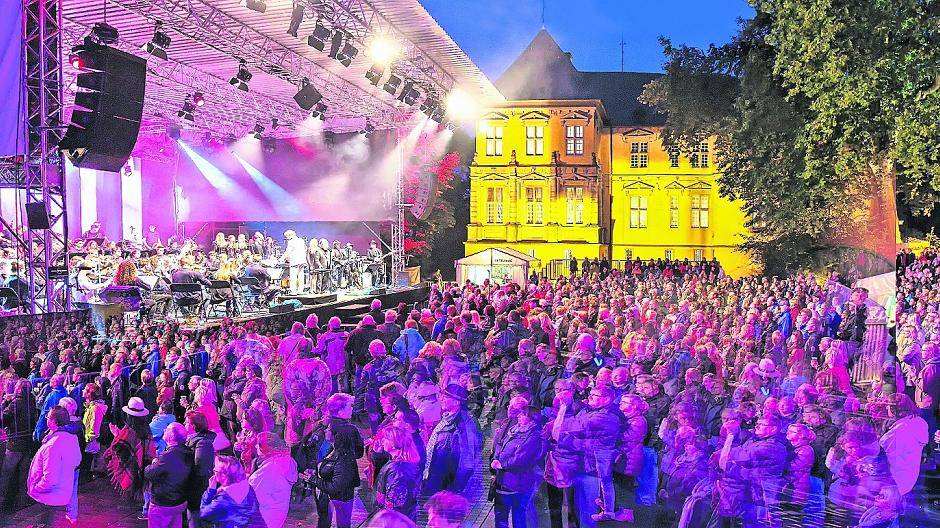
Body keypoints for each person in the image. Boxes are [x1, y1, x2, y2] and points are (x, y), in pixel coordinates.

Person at [423, 383, 482, 497]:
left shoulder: (464, 424)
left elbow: (467, 459)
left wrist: (456, 488)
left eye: (446, 397)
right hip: (438, 479)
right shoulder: (447, 418)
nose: (442, 399)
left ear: (456, 402)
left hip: (448, 484)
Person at [27, 406, 82, 527]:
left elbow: (50, 478)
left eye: (48, 417)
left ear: (54, 421)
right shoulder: (72, 437)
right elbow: (77, 460)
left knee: (44, 522)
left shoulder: (52, 445)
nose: (46, 419)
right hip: (61, 490)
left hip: (49, 495)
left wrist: (37, 487)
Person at [490, 404, 544, 528]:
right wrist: (495, 459)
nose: (519, 416)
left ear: (532, 419)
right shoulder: (514, 430)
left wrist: (502, 464)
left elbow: (522, 458)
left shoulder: (534, 435)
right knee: (500, 516)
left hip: (517, 481)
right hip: (502, 480)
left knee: (519, 517)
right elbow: (500, 444)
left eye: (523, 414)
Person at [307, 424, 361, 528]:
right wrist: (316, 472)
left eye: (328, 429)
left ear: (336, 435)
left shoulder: (344, 459)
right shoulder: (332, 449)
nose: (325, 430)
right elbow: (330, 470)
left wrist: (314, 479)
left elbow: (336, 487)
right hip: (327, 497)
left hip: (339, 500)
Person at [145, 422, 193, 528]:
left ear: (171, 436)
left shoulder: (168, 456)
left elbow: (149, 473)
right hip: (179, 501)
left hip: (163, 503)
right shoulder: (187, 452)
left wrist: (153, 463)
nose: (164, 430)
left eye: (166, 429)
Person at [248, 433, 298, 528]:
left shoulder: (269, 470)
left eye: (258, 444)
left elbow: (252, 496)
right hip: (278, 512)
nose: (255, 446)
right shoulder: (288, 461)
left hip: (265, 517)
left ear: (266, 449)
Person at [199, 455, 264, 527]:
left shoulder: (223, 500)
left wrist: (210, 490)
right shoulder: (248, 488)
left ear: (224, 475)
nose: (213, 471)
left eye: (215, 471)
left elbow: (204, 514)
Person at [374, 425, 422, 519]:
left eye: (385, 438)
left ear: (394, 443)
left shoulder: (398, 469)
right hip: (407, 515)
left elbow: (394, 500)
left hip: (396, 519)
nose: (382, 441)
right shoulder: (404, 463)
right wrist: (377, 454)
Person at [184, 410, 216, 528]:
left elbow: (201, 469)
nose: (184, 424)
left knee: (195, 519)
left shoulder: (203, 443)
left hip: (197, 489)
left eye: (186, 422)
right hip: (193, 488)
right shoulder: (194, 439)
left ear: (193, 426)